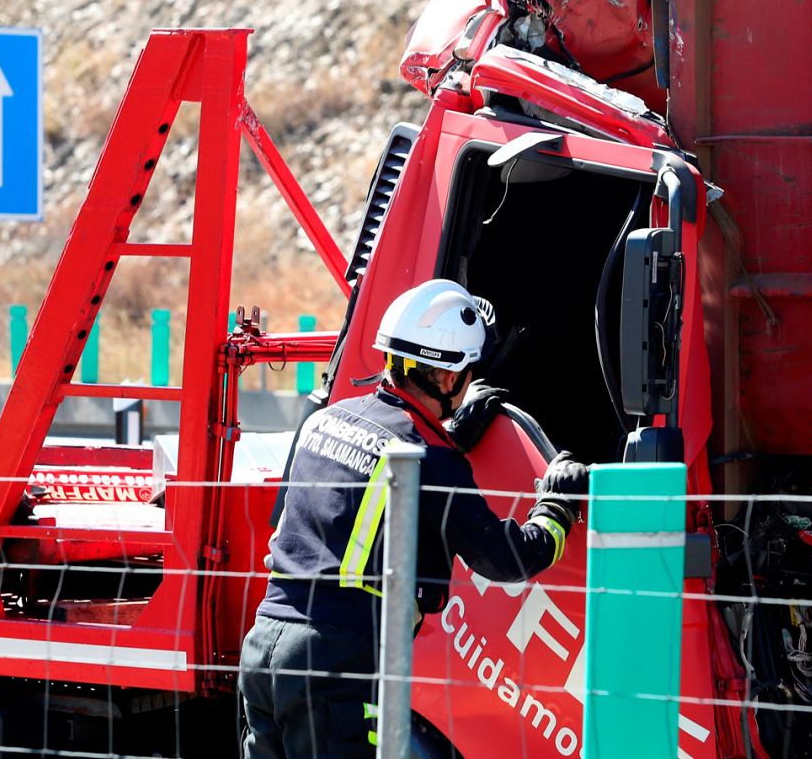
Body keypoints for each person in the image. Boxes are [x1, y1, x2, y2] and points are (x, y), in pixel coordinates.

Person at [240, 279, 589, 758]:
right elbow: (507, 559)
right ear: (449, 380)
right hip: (334, 662)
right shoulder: (430, 459)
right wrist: (556, 505)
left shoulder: (328, 419)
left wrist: (444, 435)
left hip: (263, 646)